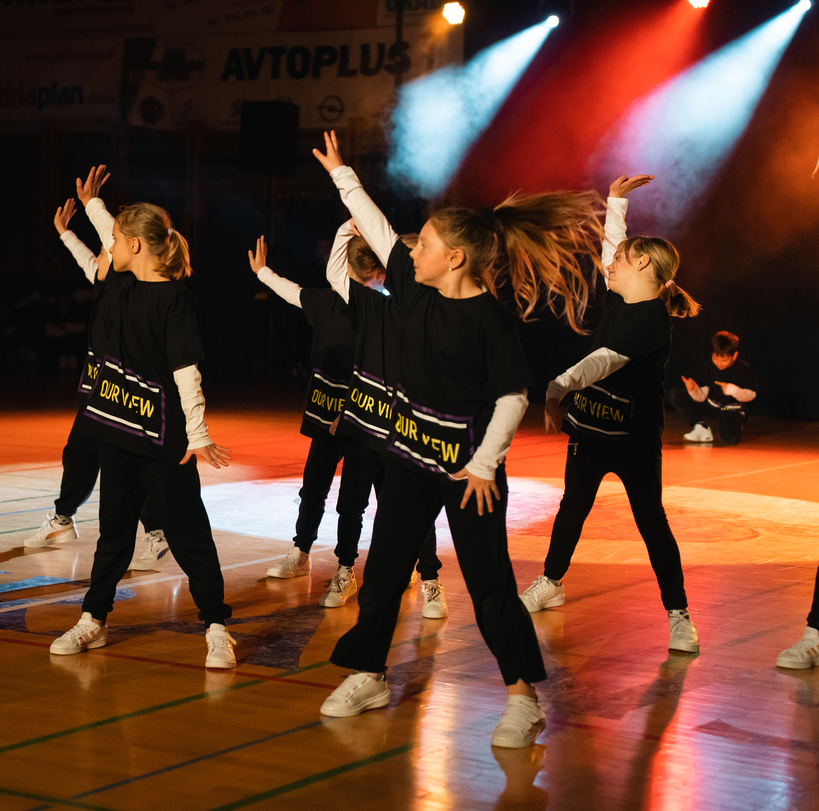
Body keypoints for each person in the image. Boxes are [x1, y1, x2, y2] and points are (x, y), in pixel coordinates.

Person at [313, 130, 599, 748]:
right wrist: (342, 174)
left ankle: (522, 699)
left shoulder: (488, 320)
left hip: (468, 474)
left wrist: (484, 466)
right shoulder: (412, 289)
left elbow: (513, 397)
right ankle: (369, 675)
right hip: (409, 461)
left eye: (426, 245)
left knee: (490, 586)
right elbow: (377, 228)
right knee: (384, 572)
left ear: (457, 259)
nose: (412, 251)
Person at [48, 195, 236, 669]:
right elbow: (110, 236)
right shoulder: (119, 284)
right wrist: (92, 205)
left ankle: (216, 626)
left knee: (190, 536)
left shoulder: (175, 300)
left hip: (163, 443)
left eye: (115, 240)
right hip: (117, 435)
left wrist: (198, 433)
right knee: (112, 536)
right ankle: (93, 618)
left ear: (133, 245)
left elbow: (187, 372)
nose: (108, 246)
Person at [523, 174, 703, 658]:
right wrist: (616, 202)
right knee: (572, 508)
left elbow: (602, 361)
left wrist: (558, 387)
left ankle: (679, 614)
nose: (610, 265)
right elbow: (613, 250)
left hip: (633, 439)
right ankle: (550, 582)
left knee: (651, 523)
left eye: (621, 260)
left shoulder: (652, 321)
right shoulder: (622, 295)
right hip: (589, 430)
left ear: (642, 264)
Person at [251, 231, 444, 612]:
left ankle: (423, 574)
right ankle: (315, 556)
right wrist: (263, 273)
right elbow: (298, 291)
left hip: (382, 422)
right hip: (343, 418)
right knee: (325, 490)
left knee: (401, 500)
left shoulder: (392, 306)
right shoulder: (336, 301)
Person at [22, 166, 168, 573]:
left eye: (112, 245)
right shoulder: (104, 280)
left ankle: (156, 531)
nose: (106, 249)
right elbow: (88, 259)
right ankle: (64, 518)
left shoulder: (128, 284)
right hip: (98, 387)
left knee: (126, 462)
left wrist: (92, 204)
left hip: (124, 388)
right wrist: (65, 233)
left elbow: (107, 236)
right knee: (81, 453)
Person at [669, 331, 757, 445]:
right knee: (675, 394)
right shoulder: (707, 368)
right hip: (712, 405)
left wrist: (733, 390)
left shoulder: (744, 369)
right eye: (716, 359)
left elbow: (752, 394)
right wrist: (694, 390)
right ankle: (700, 427)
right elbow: (701, 397)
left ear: (734, 355)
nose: (719, 363)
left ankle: (734, 426)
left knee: (730, 439)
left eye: (724, 360)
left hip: (731, 409)